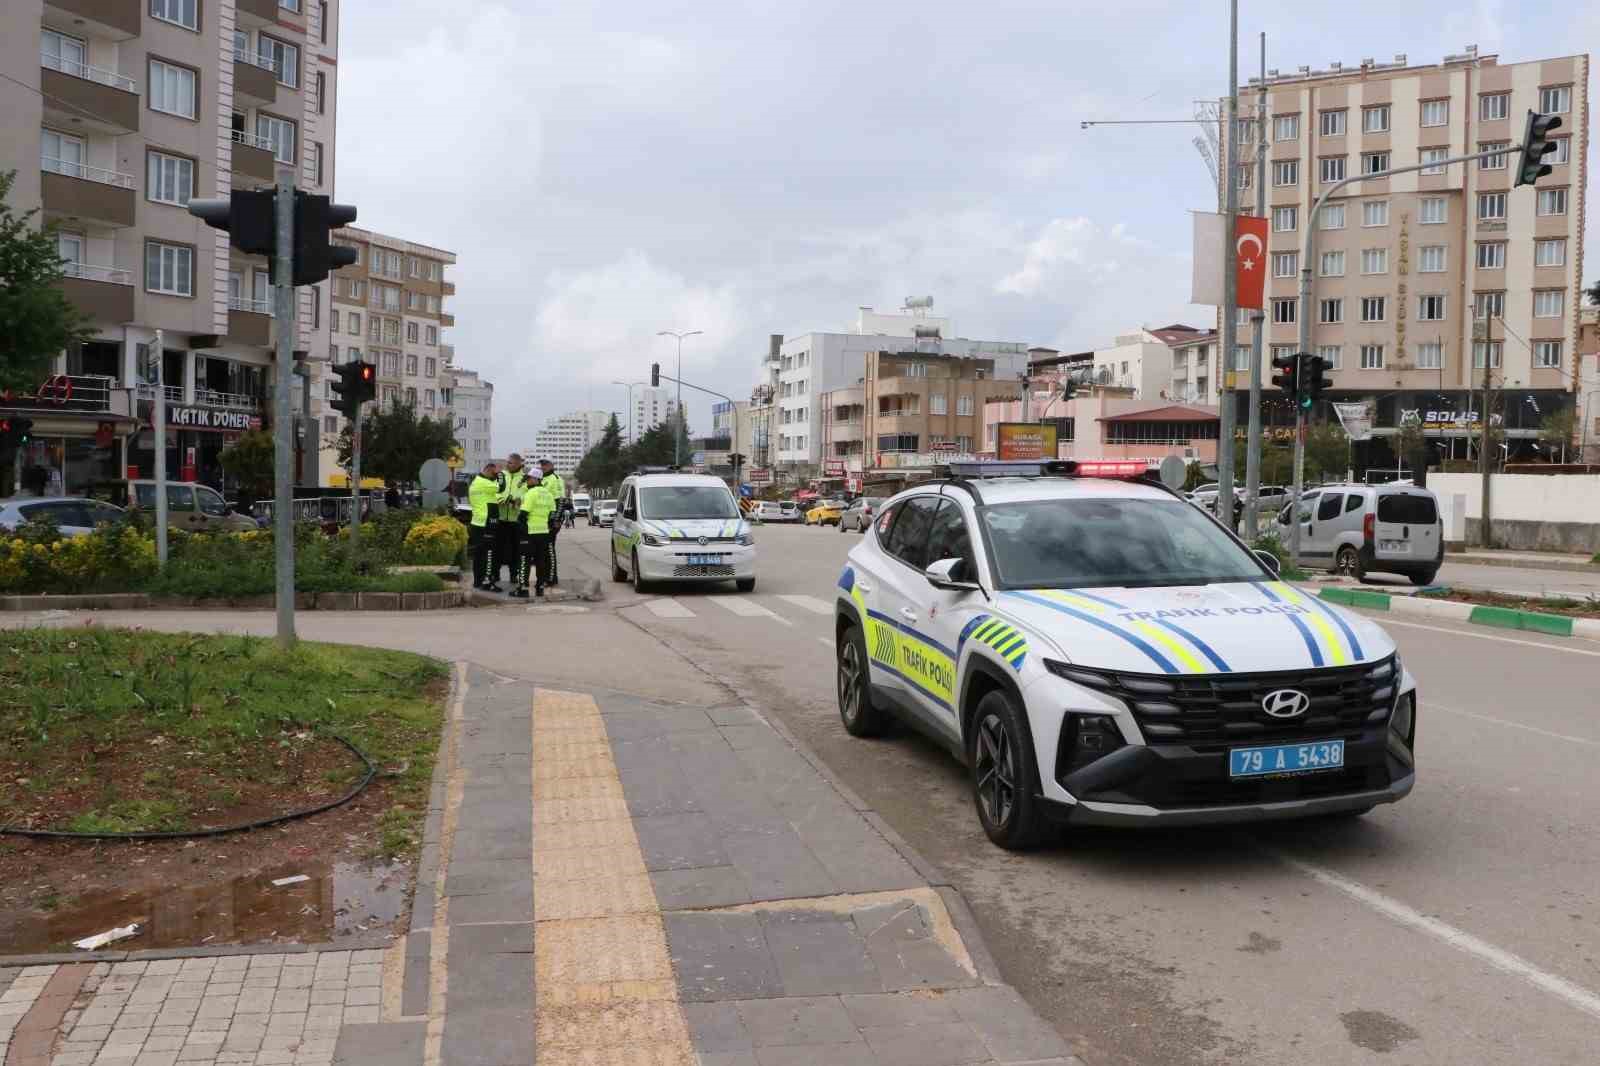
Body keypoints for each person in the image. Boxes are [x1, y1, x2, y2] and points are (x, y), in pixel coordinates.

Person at [513, 471, 554, 598]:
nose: (527, 481)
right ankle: (540, 587)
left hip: (529, 532)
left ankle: (523, 589)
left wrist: (521, 530)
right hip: (543, 532)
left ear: (536, 479)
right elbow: (552, 516)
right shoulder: (548, 494)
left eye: (529, 478)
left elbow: (523, 515)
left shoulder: (531, 493)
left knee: (524, 560)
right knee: (541, 561)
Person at [495, 454, 529, 589]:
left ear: (519, 464)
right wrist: (502, 499)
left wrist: (517, 499)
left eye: (512, 463)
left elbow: (527, 494)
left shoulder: (524, 478)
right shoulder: (501, 475)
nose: (508, 465)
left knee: (516, 549)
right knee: (498, 548)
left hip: (516, 519)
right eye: (508, 462)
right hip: (501, 517)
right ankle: (494, 574)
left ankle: (514, 575)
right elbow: (495, 490)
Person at [466, 461, 501, 591]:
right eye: (493, 473)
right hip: (485, 523)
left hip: (477, 522)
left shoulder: (476, 483)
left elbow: (495, 497)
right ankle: (488, 582)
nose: (494, 476)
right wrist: (500, 475)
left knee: (478, 555)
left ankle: (477, 581)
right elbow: (501, 487)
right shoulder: (485, 483)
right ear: (488, 470)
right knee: (488, 554)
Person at [537, 459, 565, 586]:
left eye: (546, 464)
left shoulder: (556, 479)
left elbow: (560, 501)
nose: (543, 466)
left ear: (552, 465)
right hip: (541, 520)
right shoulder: (541, 479)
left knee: (549, 548)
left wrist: (557, 520)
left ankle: (552, 577)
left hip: (552, 519)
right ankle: (544, 577)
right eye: (542, 464)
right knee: (542, 549)